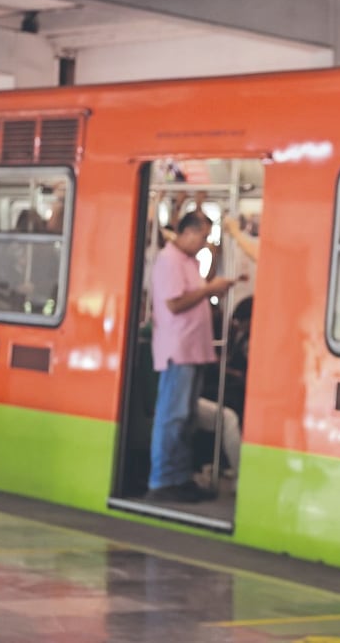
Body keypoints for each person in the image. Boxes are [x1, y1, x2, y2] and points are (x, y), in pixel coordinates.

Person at [148, 211, 235, 503]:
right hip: (178, 349)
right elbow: (174, 304)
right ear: (186, 232)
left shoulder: (189, 262)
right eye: (201, 237)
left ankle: (180, 476)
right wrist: (210, 290)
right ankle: (162, 480)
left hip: (193, 348)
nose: (203, 243)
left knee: (187, 417)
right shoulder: (169, 260)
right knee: (173, 416)